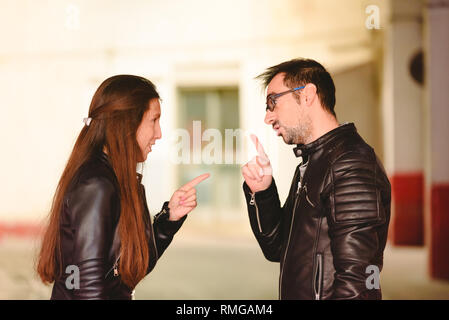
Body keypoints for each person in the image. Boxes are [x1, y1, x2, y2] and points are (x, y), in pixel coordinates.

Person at [36, 75, 209, 299]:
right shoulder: (96, 185)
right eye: (154, 120)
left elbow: (130, 270)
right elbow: (88, 288)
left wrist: (169, 219)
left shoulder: (119, 180)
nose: (159, 134)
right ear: (127, 123)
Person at [241, 58, 391, 300]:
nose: (268, 117)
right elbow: (278, 248)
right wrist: (263, 192)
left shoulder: (350, 164)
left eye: (273, 102)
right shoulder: (313, 163)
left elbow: (358, 281)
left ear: (308, 94)